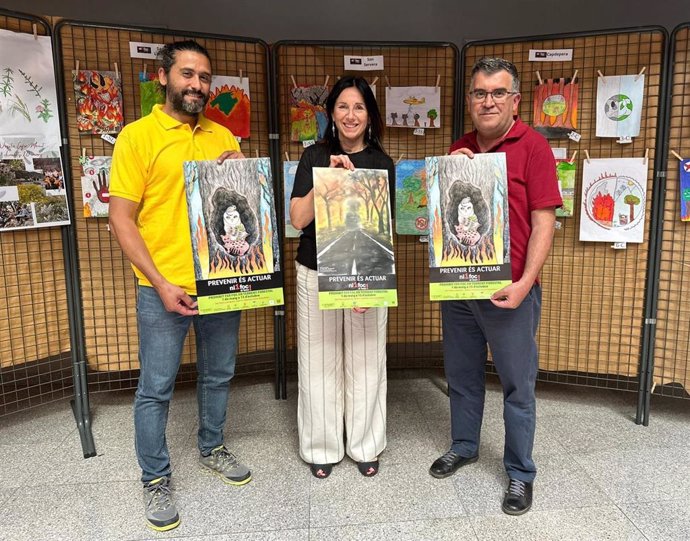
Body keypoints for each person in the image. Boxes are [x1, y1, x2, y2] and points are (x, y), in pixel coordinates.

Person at [109, 40, 251, 533]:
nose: (197, 85)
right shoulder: (137, 136)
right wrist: (160, 282)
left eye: (205, 77)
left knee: (218, 374)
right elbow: (121, 219)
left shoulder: (221, 135)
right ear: (164, 77)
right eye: (188, 74)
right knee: (156, 388)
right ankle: (155, 477)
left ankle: (211, 446)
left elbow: (235, 209)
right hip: (162, 288)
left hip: (221, 283)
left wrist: (241, 169)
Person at [429, 57, 562, 515]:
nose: (488, 101)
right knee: (462, 378)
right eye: (480, 93)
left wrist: (526, 283)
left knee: (517, 386)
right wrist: (446, 174)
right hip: (460, 289)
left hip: (512, 294)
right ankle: (464, 445)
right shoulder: (459, 147)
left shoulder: (535, 147)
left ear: (515, 101)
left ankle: (520, 473)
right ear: (469, 100)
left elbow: (546, 223)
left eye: (498, 93)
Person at [290, 76, 395, 479]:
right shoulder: (313, 156)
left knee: (368, 360)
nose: (351, 115)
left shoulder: (382, 163)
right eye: (343, 107)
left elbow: (380, 231)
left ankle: (366, 443)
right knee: (318, 361)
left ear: (370, 116)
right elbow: (298, 219)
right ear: (331, 114)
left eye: (359, 108)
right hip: (315, 270)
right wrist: (328, 183)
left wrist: (371, 283)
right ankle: (322, 445)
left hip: (364, 273)